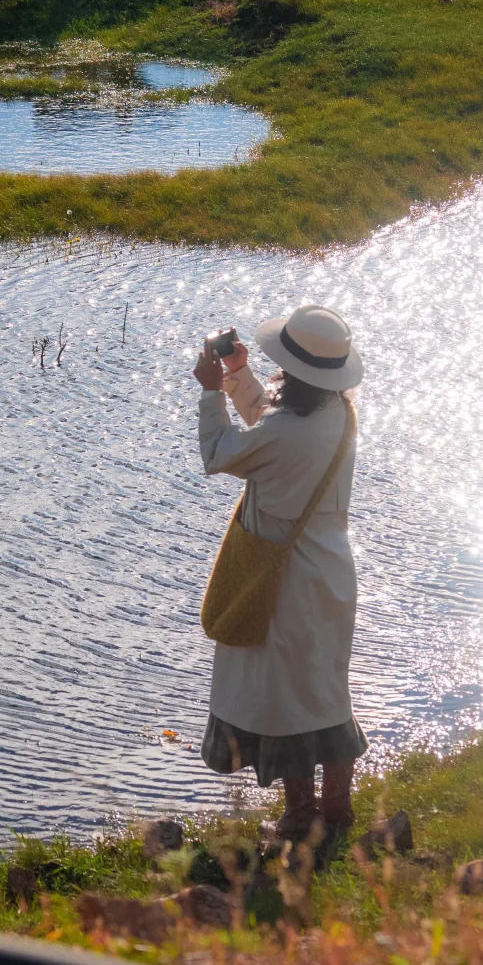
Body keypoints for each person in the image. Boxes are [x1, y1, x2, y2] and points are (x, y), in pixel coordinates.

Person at [194, 303, 367, 839]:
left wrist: (210, 391)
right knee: (324, 689)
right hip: (331, 572)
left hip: (283, 576)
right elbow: (272, 425)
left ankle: (299, 817)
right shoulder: (340, 414)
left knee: (286, 697)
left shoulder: (286, 430)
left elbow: (219, 454)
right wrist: (240, 377)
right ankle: (336, 808)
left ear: (292, 368)